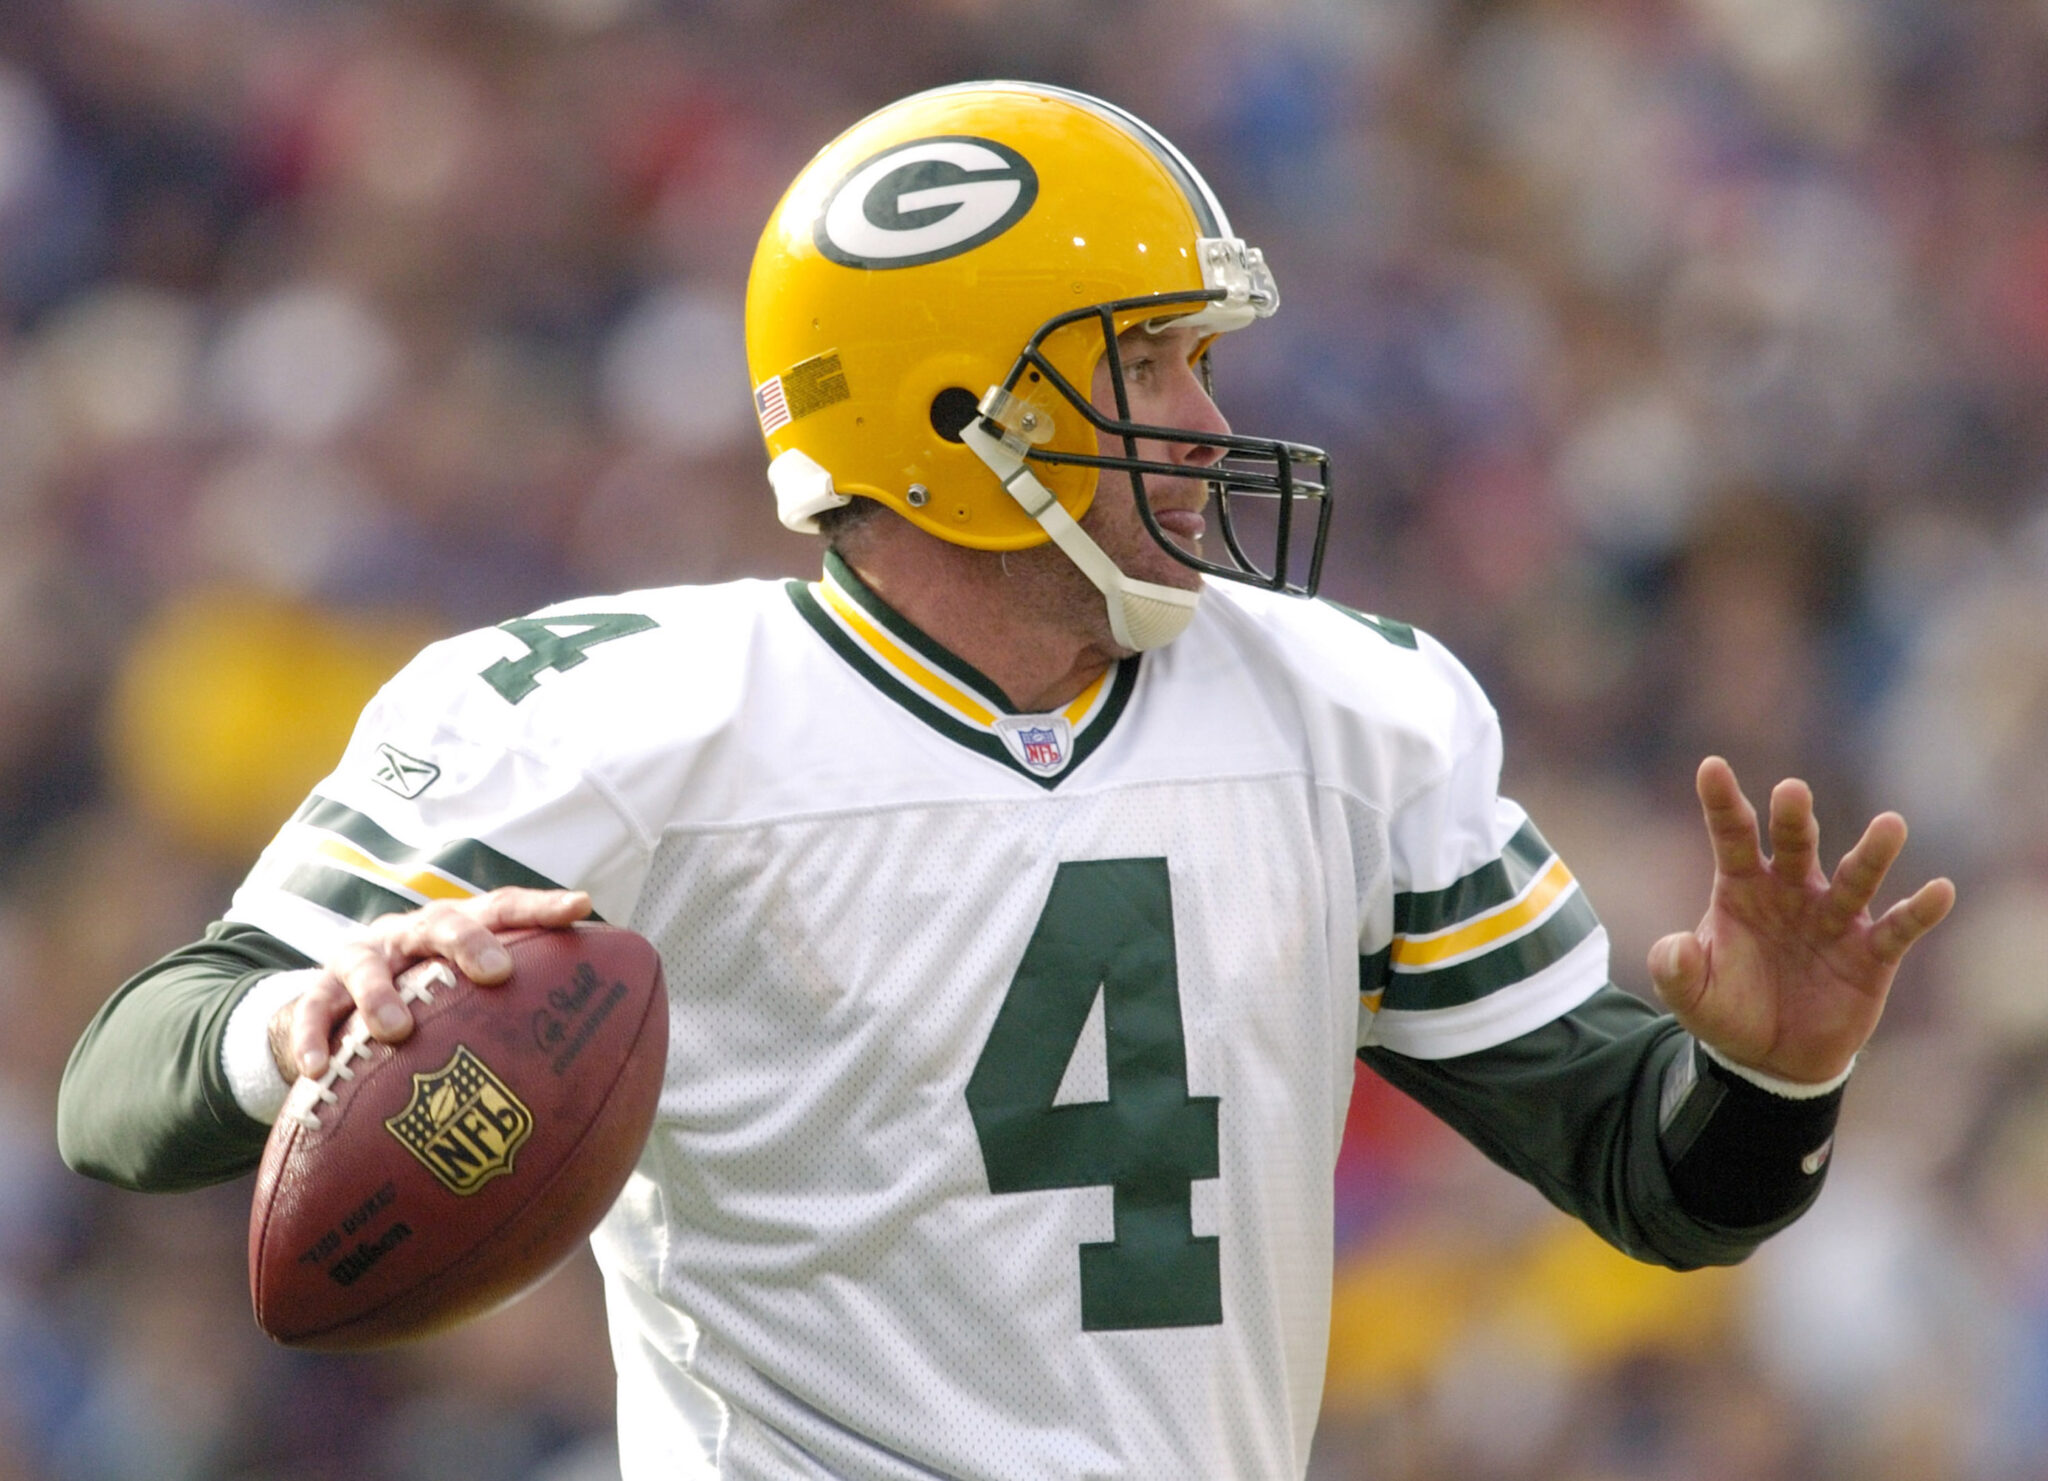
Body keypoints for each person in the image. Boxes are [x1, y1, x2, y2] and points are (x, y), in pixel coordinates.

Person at [58, 81, 1953, 1480]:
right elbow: (124, 1082)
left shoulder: (1348, 713)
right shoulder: (617, 720)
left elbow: (1661, 1185)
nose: (1214, 421)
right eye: (1152, 366)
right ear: (958, 420)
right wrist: (298, 1030)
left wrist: (1769, 1075)